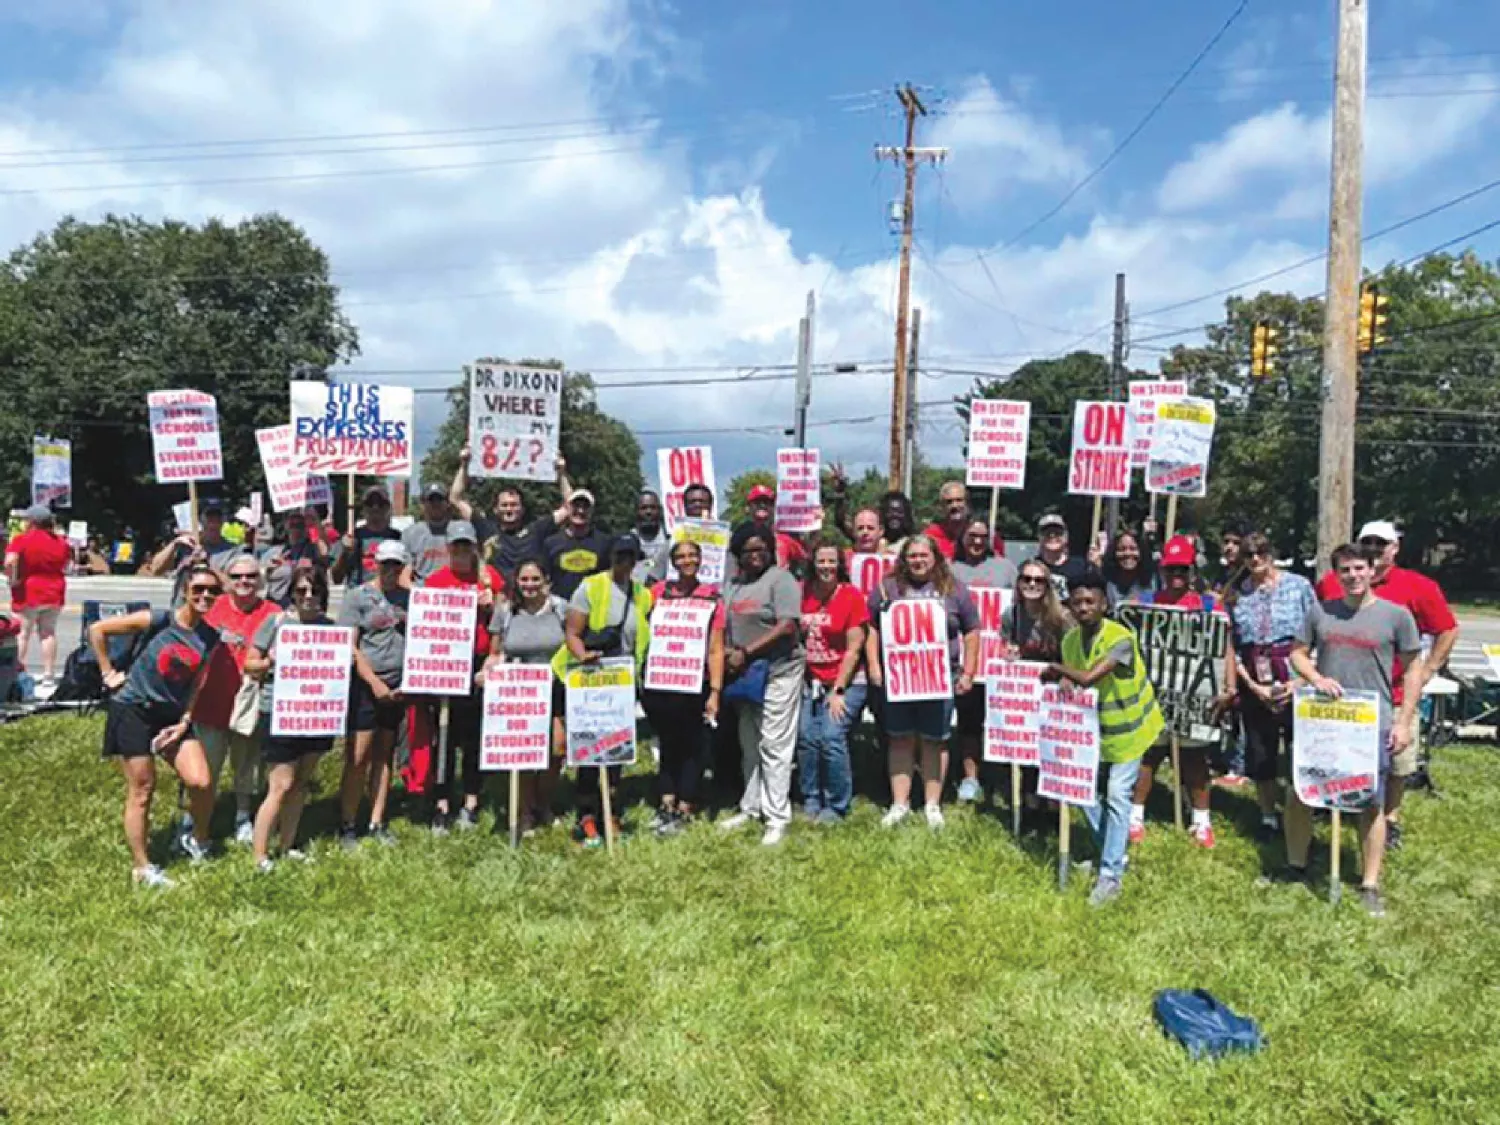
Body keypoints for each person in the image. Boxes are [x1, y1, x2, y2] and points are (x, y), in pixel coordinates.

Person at [1286, 544, 1424, 917]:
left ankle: (1369, 883)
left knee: (1370, 802)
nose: (1353, 576)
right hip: (1323, 720)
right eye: (1345, 570)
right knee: (1301, 791)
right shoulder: (1321, 612)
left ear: (1372, 570)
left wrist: (1404, 720)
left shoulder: (1395, 616)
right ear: (1336, 574)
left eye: (1359, 568)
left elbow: (1414, 669)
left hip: (1370, 721)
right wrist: (1316, 676)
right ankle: (1294, 867)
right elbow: (1297, 652)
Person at [1313, 519, 1458, 852]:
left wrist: (1428, 669)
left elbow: (1447, 628)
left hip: (1392, 693)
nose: (1376, 550)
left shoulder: (1418, 586)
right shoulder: (1333, 584)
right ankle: (1336, 802)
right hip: (1343, 694)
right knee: (1338, 754)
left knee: (1396, 765)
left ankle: (1390, 819)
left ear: (1395, 548)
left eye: (1383, 544)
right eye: (1370, 543)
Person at [91, 565, 224, 887]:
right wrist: (108, 673)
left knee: (202, 782)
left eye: (212, 591)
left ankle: (196, 839)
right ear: (185, 591)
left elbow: (196, 684)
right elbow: (97, 629)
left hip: (171, 717)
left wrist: (185, 721)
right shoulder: (159, 620)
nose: (205, 595)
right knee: (142, 790)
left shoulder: (210, 637)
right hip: (133, 710)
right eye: (199, 589)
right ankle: (142, 867)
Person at [1044, 572, 1164, 906]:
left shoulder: (1121, 638)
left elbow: (1088, 676)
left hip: (1131, 729)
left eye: (1090, 602)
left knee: (1115, 794)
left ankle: (1111, 875)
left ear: (1104, 604)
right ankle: (1115, 848)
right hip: (1095, 732)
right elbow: (1073, 680)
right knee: (1079, 790)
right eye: (1077, 602)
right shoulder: (1070, 641)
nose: (1083, 608)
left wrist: (1057, 669)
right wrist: (1064, 681)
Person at [1126, 536, 1237, 848]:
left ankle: (1201, 821)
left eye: (1182, 569)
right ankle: (1135, 816)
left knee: (1194, 758)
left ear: (1192, 570)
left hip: (1195, 695)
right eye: (1171, 569)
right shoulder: (1148, 602)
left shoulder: (1208, 605)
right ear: (1162, 570)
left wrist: (1229, 687)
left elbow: (1225, 647)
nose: (1176, 575)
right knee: (1149, 756)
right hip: (1155, 696)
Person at [868, 534, 980, 831]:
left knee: (935, 739)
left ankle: (932, 804)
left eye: (923, 555)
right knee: (900, 738)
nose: (918, 561)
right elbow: (872, 628)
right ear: (904, 560)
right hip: (899, 678)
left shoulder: (954, 588)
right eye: (912, 556)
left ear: (935, 558)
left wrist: (968, 672)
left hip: (940, 678)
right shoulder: (887, 587)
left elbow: (971, 631)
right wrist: (874, 665)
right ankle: (899, 804)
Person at [179, 553, 280, 848]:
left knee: (247, 763)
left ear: (260, 580)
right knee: (204, 766)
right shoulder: (211, 606)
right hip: (210, 701)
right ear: (228, 580)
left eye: (250, 576)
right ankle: (192, 819)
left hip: (249, 701)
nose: (244, 582)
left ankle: (242, 816)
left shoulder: (274, 612)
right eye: (236, 577)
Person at [558, 535, 654, 846]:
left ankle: (610, 810)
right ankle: (587, 815)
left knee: (616, 749)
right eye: (618, 556)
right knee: (588, 750)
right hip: (590, 676)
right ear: (609, 557)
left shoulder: (643, 594)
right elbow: (572, 632)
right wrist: (582, 655)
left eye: (629, 557)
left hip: (622, 680)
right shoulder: (591, 586)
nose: (623, 562)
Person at [242, 568, 338, 870]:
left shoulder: (331, 628)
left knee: (301, 783)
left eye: (314, 591)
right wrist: (272, 659)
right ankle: (259, 855)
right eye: (301, 591)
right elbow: (249, 664)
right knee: (280, 785)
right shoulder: (277, 623)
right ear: (292, 595)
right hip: (280, 712)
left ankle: (288, 844)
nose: (308, 597)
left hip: (317, 713)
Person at [717, 524, 805, 846]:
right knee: (749, 741)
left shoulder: (781, 580)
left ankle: (777, 816)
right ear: (738, 554)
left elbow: (787, 627)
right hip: (745, 675)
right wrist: (727, 652)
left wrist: (746, 652)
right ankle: (750, 806)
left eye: (761, 548)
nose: (756, 555)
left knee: (774, 744)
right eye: (748, 550)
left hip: (780, 669)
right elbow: (725, 625)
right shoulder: (734, 585)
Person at [1230, 532, 1317, 841]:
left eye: (1261, 552)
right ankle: (1268, 816)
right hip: (1255, 670)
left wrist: (1300, 680)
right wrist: (1253, 686)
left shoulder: (1299, 586)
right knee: (1260, 750)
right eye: (1248, 554)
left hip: (1293, 664)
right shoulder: (1238, 594)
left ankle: (1303, 809)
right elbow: (1234, 646)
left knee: (1301, 748)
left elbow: (1316, 634)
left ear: (1271, 553)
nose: (1255, 559)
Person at [423, 521, 506, 832]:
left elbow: (506, 613)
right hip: (444, 664)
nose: (460, 551)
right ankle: (441, 803)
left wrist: (492, 603)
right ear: (448, 548)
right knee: (443, 736)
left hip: (478, 664)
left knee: (474, 738)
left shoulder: (488, 578)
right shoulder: (436, 581)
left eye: (465, 545)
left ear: (474, 548)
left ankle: (471, 802)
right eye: (455, 545)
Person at [642, 538, 724, 835]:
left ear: (701, 560)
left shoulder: (712, 598)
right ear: (673, 562)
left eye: (693, 555)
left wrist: (715, 691)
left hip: (695, 681)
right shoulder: (657, 594)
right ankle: (666, 802)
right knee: (667, 742)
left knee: (693, 745)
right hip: (660, 680)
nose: (687, 561)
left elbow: (715, 648)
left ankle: (686, 804)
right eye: (681, 556)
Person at [486, 558, 569, 834]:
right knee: (523, 752)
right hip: (518, 692)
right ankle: (524, 811)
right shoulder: (505, 611)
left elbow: (575, 642)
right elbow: (495, 653)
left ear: (547, 581)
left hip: (556, 686)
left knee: (557, 749)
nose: (530, 585)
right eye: (524, 580)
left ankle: (543, 804)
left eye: (536, 579)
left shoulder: (561, 609)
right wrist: (488, 670)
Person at [337, 539, 410, 848]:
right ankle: (348, 823)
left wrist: (408, 681)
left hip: (399, 687)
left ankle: (377, 820)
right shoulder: (358, 597)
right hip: (365, 687)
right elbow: (350, 646)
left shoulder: (409, 598)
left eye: (396, 565)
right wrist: (374, 683)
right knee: (358, 756)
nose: (391, 570)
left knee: (384, 754)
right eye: (385, 564)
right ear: (375, 564)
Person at [797, 539, 870, 824]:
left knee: (830, 735)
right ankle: (811, 796)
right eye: (821, 561)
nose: (826, 567)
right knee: (806, 737)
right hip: (811, 679)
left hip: (848, 680)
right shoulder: (804, 592)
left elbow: (854, 649)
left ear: (840, 564)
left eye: (831, 561)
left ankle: (837, 803)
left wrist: (838, 690)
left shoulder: (851, 596)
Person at [950, 519, 1018, 803]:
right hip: (966, 659)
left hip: (999, 658)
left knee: (1004, 719)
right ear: (962, 538)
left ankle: (1004, 777)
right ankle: (970, 777)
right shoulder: (950, 570)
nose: (977, 541)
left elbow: (1020, 606)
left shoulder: (1006, 568)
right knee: (969, 720)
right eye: (972, 536)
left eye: (982, 536)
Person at [449, 444, 572, 582]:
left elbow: (569, 508)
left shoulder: (536, 529)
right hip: (494, 595)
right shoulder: (486, 527)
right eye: (504, 505)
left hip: (527, 593)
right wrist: (464, 465)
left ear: (522, 509)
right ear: (496, 509)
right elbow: (455, 499)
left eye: (514, 505)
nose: (509, 509)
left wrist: (561, 473)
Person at [4, 504, 69, 690]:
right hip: (54, 590)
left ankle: (17, 671)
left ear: (32, 522)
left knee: (22, 633)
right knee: (48, 633)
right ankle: (48, 674)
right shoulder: (60, 542)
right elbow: (65, 563)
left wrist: (13, 578)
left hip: (28, 591)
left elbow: (10, 561)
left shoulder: (22, 540)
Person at [147, 499, 241, 604]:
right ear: (200, 519)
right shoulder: (186, 545)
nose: (214, 521)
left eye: (218, 516)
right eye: (209, 516)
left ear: (224, 519)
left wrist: (207, 565)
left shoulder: (234, 551)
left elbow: (233, 587)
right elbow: (156, 570)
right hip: (182, 610)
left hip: (214, 612)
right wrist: (174, 544)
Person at [540, 488, 613, 601]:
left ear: (592, 511)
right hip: (560, 607)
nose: (580, 511)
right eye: (576, 506)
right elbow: (544, 580)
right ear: (568, 509)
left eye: (585, 507)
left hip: (593, 605)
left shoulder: (604, 542)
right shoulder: (551, 543)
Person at [331, 485, 402, 589]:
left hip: (388, 600)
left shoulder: (398, 538)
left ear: (388, 507)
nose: (375, 507)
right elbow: (336, 579)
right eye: (370, 503)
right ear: (364, 508)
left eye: (380, 503)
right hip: (357, 598)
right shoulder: (351, 537)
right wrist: (345, 553)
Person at [260, 510, 329, 607]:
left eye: (300, 523)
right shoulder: (273, 552)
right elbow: (258, 578)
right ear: (286, 525)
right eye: (292, 522)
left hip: (304, 604)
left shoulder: (312, 549)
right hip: (275, 606)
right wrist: (267, 570)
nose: (296, 526)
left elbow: (323, 554)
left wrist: (316, 522)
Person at [738, 484, 808, 574]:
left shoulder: (785, 539)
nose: (762, 505)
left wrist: (815, 524)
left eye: (767, 502)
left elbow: (808, 558)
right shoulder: (739, 538)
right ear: (748, 508)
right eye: (757, 502)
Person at [1035, 513, 1101, 600]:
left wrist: (1096, 566)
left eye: (1057, 532)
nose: (1052, 535)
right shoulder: (1033, 567)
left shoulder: (1082, 567)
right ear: (1039, 537)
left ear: (1066, 537)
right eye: (1047, 533)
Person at [402, 484, 457, 585]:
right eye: (431, 500)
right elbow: (404, 574)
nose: (435, 504)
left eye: (439, 499)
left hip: (452, 589)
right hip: (422, 589)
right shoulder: (410, 533)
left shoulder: (459, 530)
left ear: (448, 503)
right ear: (422, 504)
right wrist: (415, 591)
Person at [1104, 528, 1155, 609]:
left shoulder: (1152, 582)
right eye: (1121, 549)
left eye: (1133, 549)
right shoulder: (1106, 583)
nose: (1127, 553)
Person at [921, 480, 972, 561]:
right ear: (941, 506)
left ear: (967, 503)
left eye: (959, 500)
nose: (954, 505)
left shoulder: (980, 535)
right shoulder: (930, 537)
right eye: (949, 502)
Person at [631, 490, 670, 583]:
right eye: (643, 508)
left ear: (660, 510)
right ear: (636, 511)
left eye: (653, 508)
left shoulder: (671, 539)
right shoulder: (626, 541)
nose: (648, 512)